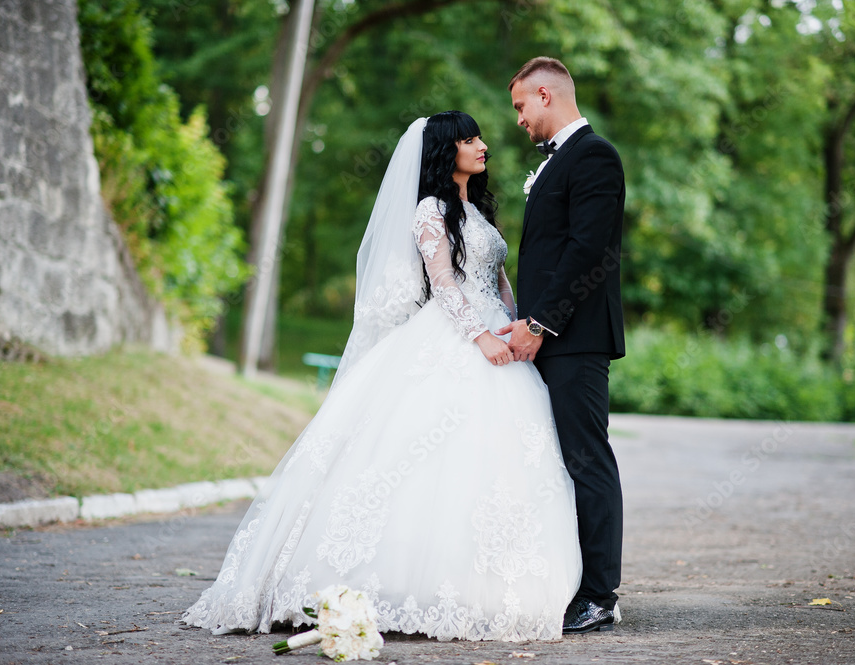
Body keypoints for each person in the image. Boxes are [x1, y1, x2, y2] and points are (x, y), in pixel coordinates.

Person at [182, 111, 583, 642]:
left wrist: (511, 325)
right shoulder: (429, 210)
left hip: (498, 336)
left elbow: (497, 279)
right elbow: (443, 283)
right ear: (446, 151)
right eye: (470, 139)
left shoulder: (476, 211)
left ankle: (485, 586)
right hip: (454, 336)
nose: (483, 145)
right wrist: (480, 337)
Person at [496, 57, 626, 634]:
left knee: (585, 459)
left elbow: (589, 250)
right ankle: (569, 583)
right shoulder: (555, 162)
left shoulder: (594, 156)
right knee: (553, 461)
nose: (520, 120)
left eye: (522, 107)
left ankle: (600, 594)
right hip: (548, 339)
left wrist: (541, 322)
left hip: (574, 339)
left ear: (545, 95)